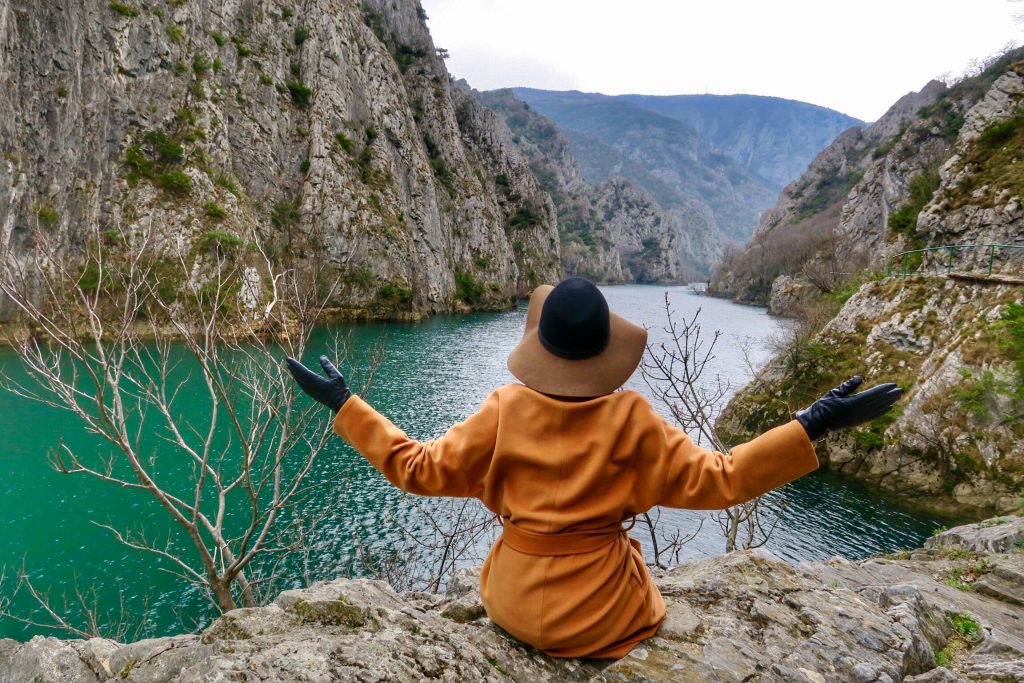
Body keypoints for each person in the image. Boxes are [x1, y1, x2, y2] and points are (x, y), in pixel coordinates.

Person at [286, 277, 902, 659]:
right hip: (602, 616)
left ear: (542, 343)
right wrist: (813, 422)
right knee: (646, 605)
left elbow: (415, 467)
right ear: (602, 348)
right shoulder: (631, 419)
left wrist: (346, 403)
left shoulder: (502, 409)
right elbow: (724, 479)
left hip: (510, 603)